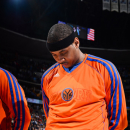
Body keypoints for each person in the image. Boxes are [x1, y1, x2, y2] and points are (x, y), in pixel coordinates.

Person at [41, 23, 128, 130]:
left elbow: (119, 119)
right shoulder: (47, 77)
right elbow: (48, 113)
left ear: (76, 43)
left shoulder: (104, 68)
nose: (60, 59)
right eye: (54, 55)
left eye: (63, 52)